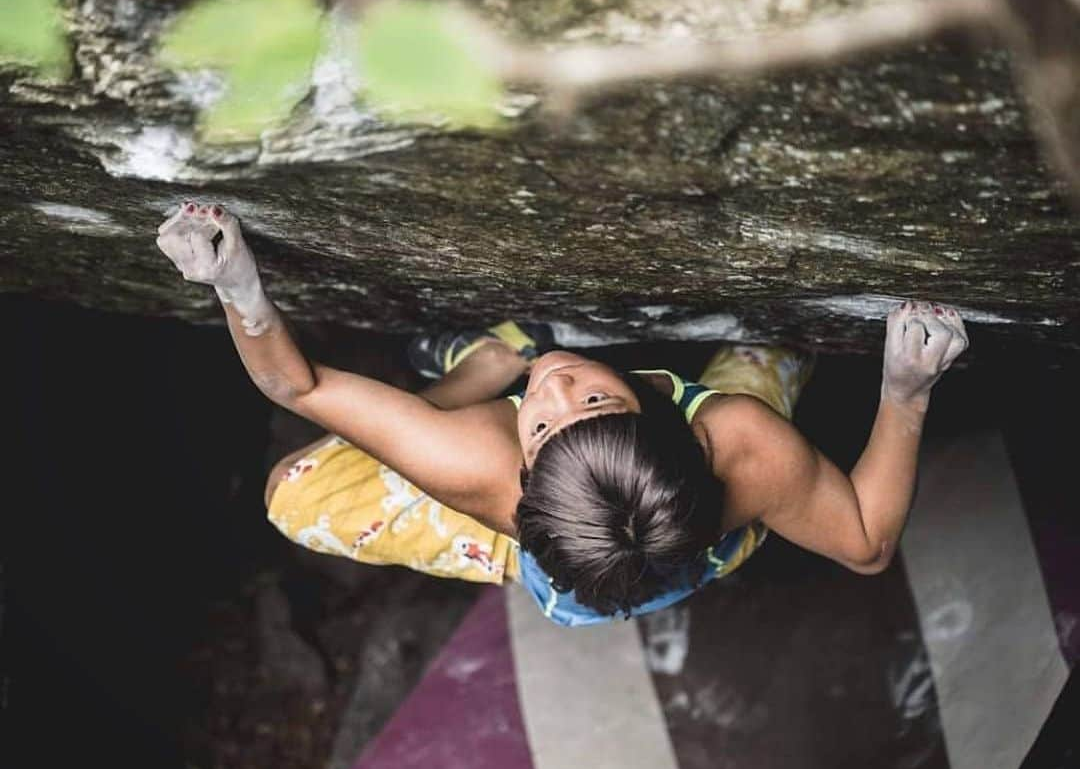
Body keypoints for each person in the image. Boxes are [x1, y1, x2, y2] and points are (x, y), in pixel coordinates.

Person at [156, 202, 969, 626]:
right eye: (575, 400)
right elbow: (861, 541)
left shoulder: (478, 468)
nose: (550, 384)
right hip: (704, 535)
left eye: (564, 411)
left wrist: (239, 289)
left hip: (594, 539)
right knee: (773, 352)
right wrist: (905, 392)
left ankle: (477, 365)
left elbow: (297, 389)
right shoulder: (746, 444)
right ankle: (482, 364)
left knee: (291, 493)